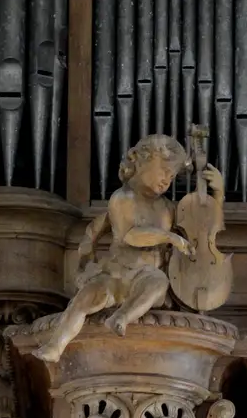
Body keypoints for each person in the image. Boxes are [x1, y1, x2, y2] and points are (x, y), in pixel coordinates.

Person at [32, 134, 222, 363]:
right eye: (163, 171)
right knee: (86, 298)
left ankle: (121, 318)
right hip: (116, 274)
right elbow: (130, 235)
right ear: (141, 162)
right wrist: (169, 237)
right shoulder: (123, 199)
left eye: (171, 177)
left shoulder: (167, 207)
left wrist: (218, 194)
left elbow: (203, 224)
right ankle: (56, 345)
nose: (167, 180)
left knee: (158, 282)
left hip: (146, 275)